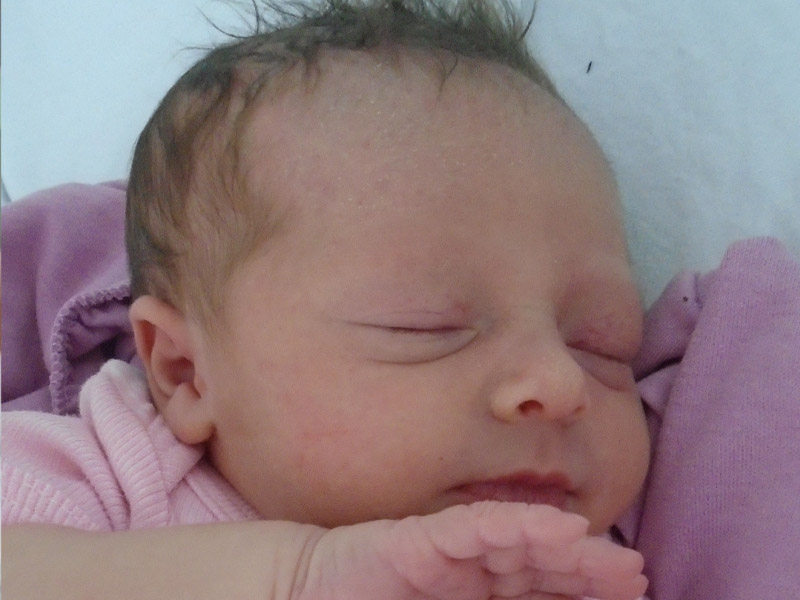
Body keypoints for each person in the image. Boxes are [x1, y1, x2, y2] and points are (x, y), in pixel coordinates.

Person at [1, 1, 651, 598]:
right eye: (426, 325)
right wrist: (296, 576)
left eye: (602, 343)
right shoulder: (121, 471)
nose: (560, 382)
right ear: (186, 371)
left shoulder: (590, 566)